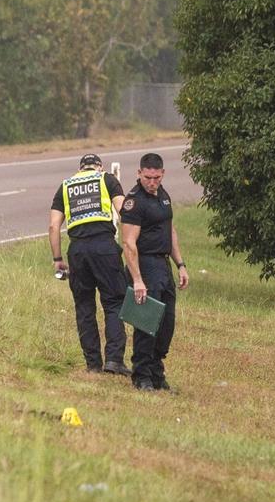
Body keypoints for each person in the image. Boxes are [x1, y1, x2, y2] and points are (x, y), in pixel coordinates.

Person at [49, 153, 130, 375]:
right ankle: (114, 360)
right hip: (104, 248)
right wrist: (131, 244)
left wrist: (57, 259)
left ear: (80, 169)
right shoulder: (107, 179)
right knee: (114, 302)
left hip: (77, 251)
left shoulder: (65, 186)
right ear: (99, 167)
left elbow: (54, 227)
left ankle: (92, 364)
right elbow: (123, 211)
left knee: (84, 307)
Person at [120, 153, 189, 391]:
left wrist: (180, 264)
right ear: (139, 173)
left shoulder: (163, 196)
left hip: (163, 265)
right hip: (144, 265)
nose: (152, 182)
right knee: (146, 322)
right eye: (147, 177)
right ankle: (142, 375)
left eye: (156, 178)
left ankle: (157, 370)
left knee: (166, 323)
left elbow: (170, 232)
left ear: (163, 174)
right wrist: (138, 280)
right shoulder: (134, 202)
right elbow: (128, 244)